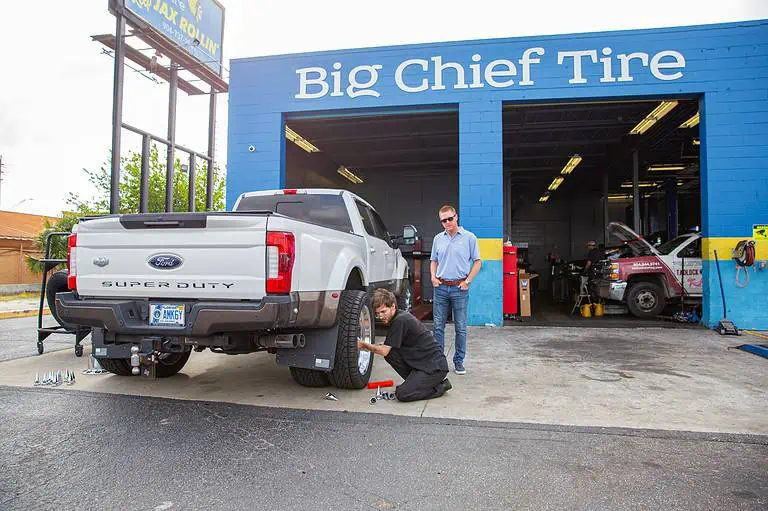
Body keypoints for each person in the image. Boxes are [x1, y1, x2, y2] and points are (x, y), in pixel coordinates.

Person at [357, 289, 452, 402]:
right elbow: (387, 350)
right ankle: (415, 383)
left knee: (402, 394)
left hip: (435, 368)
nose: (380, 316)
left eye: (383, 312)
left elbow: (383, 351)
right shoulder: (399, 317)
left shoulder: (400, 320)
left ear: (393, 307)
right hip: (422, 364)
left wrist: (362, 344)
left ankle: (440, 387)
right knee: (391, 354)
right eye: (377, 313)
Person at [429, 205, 482, 375]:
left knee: (460, 327)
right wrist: (433, 277)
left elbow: (478, 262)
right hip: (441, 288)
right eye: (443, 220)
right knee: (438, 327)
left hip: (460, 288)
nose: (447, 223)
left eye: (450, 219)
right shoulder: (438, 239)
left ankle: (459, 361)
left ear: (456, 217)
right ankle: (439, 361)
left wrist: (468, 281)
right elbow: (433, 261)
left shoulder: (469, 238)